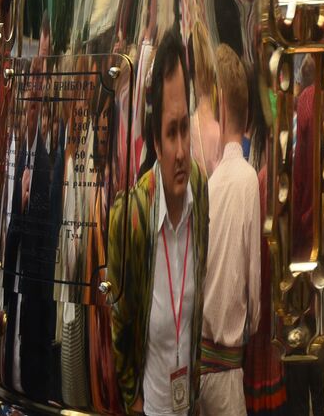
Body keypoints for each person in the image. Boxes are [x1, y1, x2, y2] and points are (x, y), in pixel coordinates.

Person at [107, 28, 209, 416]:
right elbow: (120, 324)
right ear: (154, 139)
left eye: (185, 128)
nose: (182, 150)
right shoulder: (130, 216)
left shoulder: (200, 188)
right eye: (171, 133)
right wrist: (133, 400)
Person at [197, 45, 260, 416]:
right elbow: (252, 291)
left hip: (195, 367)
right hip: (226, 370)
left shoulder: (208, 180)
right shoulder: (247, 180)